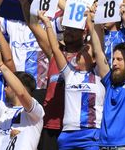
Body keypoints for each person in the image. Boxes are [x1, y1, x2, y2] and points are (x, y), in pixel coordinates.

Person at [38, 10, 105, 150]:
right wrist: (47, 23)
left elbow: (99, 48)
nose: (82, 52)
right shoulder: (70, 74)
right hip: (67, 135)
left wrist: (90, 22)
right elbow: (56, 49)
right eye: (82, 50)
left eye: (86, 50)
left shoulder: (100, 76)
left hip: (91, 133)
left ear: (94, 59)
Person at [87, 2, 125, 149]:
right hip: (103, 145)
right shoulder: (110, 81)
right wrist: (97, 20)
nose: (114, 63)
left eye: (119, 59)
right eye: (114, 59)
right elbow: (99, 51)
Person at [0, 49, 45, 150]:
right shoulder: (4, 109)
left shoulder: (36, 111)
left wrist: (1, 64)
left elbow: (21, 93)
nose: (4, 88)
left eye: (7, 85)